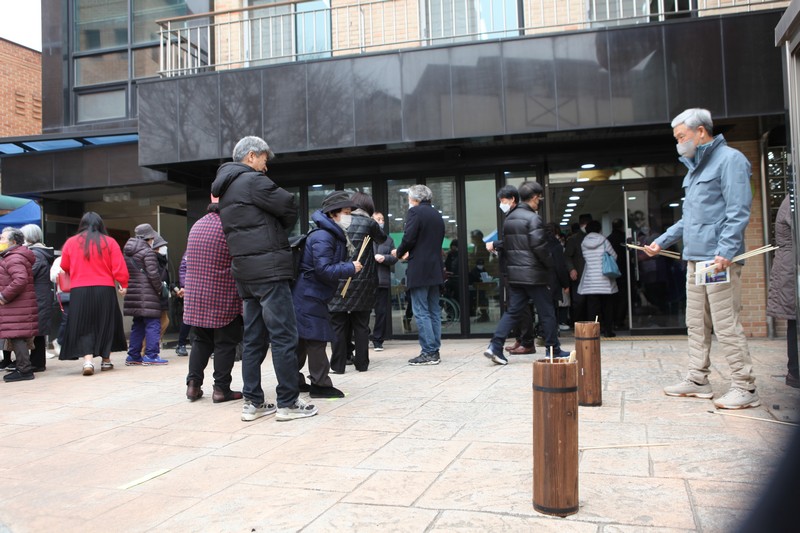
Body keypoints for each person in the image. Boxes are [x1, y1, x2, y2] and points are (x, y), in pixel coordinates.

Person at [645, 108, 759, 409]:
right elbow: (689, 219)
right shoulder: (694, 168)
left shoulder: (731, 160)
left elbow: (738, 210)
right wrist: (660, 241)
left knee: (725, 323)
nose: (679, 143)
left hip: (716, 259)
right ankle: (698, 379)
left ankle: (745, 386)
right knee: (696, 322)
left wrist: (726, 250)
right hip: (696, 259)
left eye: (681, 137)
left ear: (700, 132)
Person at [211, 135, 317, 422]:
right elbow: (289, 205)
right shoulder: (252, 181)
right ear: (251, 156)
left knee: (253, 338)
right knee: (284, 335)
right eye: (264, 160)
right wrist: (280, 228)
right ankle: (288, 402)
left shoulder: (226, 189)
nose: (265, 167)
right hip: (269, 269)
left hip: (244, 272)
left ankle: (253, 402)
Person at [483, 181, 571, 365]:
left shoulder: (509, 219)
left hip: (515, 275)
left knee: (513, 312)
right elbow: (539, 247)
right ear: (534, 197)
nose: (540, 201)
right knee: (547, 312)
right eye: (539, 197)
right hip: (534, 275)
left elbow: (508, 246)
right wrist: (549, 267)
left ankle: (495, 346)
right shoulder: (533, 218)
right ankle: (553, 350)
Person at [293, 191, 362, 396]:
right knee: (316, 339)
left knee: (303, 340)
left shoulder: (329, 234)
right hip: (309, 295)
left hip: (310, 294)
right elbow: (323, 269)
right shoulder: (323, 236)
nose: (349, 217)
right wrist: (350, 267)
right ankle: (320, 385)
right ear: (333, 214)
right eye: (346, 213)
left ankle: (293, 381)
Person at [182, 196, 244, 403]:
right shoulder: (229, 227)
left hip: (196, 296)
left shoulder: (198, 225)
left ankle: (193, 386)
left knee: (200, 341)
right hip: (222, 294)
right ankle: (221, 389)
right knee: (225, 343)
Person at [58, 212, 129, 375]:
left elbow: (64, 265)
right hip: (105, 289)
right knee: (106, 323)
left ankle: (88, 362)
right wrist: (123, 284)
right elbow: (119, 266)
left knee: (84, 324)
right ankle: (106, 360)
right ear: (100, 224)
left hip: (79, 290)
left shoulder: (71, 242)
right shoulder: (109, 241)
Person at [329, 192, 386, 374]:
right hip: (364, 280)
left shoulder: (336, 220)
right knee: (361, 325)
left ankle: (338, 366)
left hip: (338, 277)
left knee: (338, 324)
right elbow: (382, 238)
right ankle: (362, 364)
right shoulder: (369, 223)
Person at [392, 184, 445, 366]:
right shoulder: (436, 214)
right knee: (434, 310)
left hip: (420, 268)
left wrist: (399, 252)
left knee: (421, 311)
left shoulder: (415, 212)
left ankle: (429, 352)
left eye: (409, 197)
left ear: (415, 198)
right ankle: (434, 349)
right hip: (435, 268)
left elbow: (409, 238)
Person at [487, 185, 536, 355]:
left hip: (517, 267)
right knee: (515, 306)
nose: (501, 204)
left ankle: (527, 341)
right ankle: (520, 339)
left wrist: (495, 244)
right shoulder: (512, 215)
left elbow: (514, 242)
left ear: (512, 199)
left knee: (520, 307)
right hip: (512, 267)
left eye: (503, 200)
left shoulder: (518, 216)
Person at [123, 223, 169, 366]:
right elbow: (153, 275)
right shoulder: (148, 252)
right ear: (149, 237)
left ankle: (133, 356)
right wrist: (160, 288)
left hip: (133, 292)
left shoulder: (128, 252)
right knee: (153, 323)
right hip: (148, 293)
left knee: (138, 324)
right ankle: (151, 355)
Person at [766, 194, 798, 389]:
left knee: (794, 320)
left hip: (791, 266)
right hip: (792, 267)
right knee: (795, 320)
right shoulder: (795, 198)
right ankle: (795, 371)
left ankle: (794, 371)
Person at [0, 227, 38, 382]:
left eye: (2, 238)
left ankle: (24, 370)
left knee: (17, 336)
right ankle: (23, 368)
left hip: (16, 305)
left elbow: (20, 280)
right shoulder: (13, 256)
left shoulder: (14, 258)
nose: (0, 241)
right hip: (19, 305)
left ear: (13, 242)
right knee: (17, 336)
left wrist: (4, 296)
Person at [21, 224, 55, 373]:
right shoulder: (41, 252)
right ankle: (36, 361)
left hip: (37, 296)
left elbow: (27, 275)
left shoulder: (35, 254)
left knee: (37, 330)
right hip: (41, 295)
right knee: (38, 330)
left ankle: (37, 362)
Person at [578, 220, 618, 337]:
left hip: (591, 280)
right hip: (604, 279)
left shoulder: (584, 243)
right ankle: (608, 331)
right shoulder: (604, 241)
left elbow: (585, 258)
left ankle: (593, 332)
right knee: (607, 307)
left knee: (593, 309)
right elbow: (614, 256)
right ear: (599, 229)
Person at [370, 211, 397, 351]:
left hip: (382, 280)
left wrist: (384, 258)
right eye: (378, 219)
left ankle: (378, 340)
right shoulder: (365, 238)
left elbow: (395, 257)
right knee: (364, 312)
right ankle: (363, 336)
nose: (381, 222)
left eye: (382, 219)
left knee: (381, 312)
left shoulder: (388, 240)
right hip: (367, 281)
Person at [564, 213, 592, 324]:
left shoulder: (596, 237)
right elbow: (567, 256)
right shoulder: (574, 239)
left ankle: (591, 325)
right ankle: (578, 324)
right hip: (579, 275)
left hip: (591, 276)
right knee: (579, 302)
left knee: (591, 303)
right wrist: (571, 269)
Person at [607, 218, 628, 330]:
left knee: (613, 297)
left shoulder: (608, 239)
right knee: (623, 297)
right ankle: (620, 320)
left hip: (611, 272)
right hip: (624, 270)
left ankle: (613, 320)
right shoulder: (625, 238)